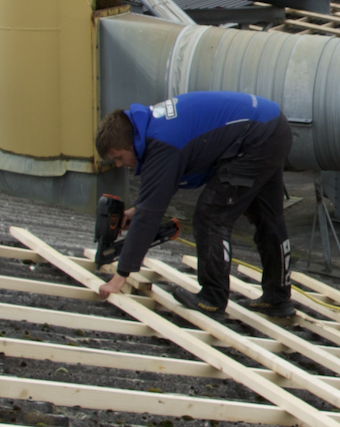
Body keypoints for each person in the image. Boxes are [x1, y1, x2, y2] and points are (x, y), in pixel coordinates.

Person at [93, 91, 294, 318]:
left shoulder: (163, 143)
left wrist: (121, 274)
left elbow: (150, 215)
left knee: (211, 216)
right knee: (268, 217)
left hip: (256, 138)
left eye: (119, 157)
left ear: (130, 142)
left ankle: (212, 299)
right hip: (273, 126)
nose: (120, 164)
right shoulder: (153, 125)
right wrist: (136, 208)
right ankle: (277, 300)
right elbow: (163, 183)